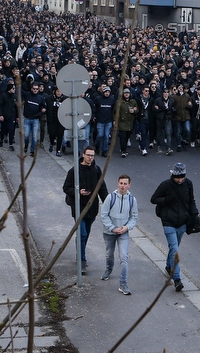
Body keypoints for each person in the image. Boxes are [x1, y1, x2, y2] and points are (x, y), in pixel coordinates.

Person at [150, 162, 198, 292]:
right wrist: (166, 200)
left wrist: (194, 214)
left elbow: (191, 200)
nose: (180, 179)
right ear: (173, 175)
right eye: (178, 177)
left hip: (182, 222)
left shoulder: (188, 184)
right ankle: (177, 279)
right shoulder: (165, 185)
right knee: (175, 250)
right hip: (168, 222)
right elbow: (153, 199)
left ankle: (167, 265)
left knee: (173, 248)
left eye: (182, 177)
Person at [62, 146, 109, 274]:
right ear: (83, 155)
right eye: (88, 155)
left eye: (92, 155)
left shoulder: (96, 170)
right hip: (78, 207)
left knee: (86, 234)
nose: (90, 158)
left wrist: (108, 203)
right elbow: (66, 187)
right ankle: (82, 260)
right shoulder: (74, 171)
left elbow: (102, 188)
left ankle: (80, 251)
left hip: (92, 207)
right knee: (82, 233)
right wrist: (77, 192)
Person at [100, 174, 139, 295]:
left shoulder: (132, 200)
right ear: (118, 184)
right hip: (109, 232)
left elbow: (134, 217)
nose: (123, 186)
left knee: (124, 257)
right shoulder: (110, 197)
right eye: (121, 183)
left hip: (123, 232)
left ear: (129, 185)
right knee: (109, 254)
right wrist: (112, 228)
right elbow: (104, 215)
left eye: (125, 184)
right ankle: (109, 269)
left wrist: (126, 227)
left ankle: (123, 284)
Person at [22, 81, 45, 156]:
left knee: (34, 137)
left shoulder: (40, 98)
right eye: (34, 89)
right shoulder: (27, 95)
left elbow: (44, 108)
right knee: (26, 135)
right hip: (27, 119)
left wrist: (39, 114)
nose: (35, 90)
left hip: (35, 120)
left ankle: (32, 150)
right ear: (31, 89)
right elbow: (20, 90)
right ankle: (26, 145)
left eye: (37, 89)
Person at [116, 87, 138, 157]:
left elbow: (137, 110)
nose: (126, 94)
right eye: (125, 93)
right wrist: (115, 120)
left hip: (130, 122)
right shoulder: (119, 102)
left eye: (127, 93)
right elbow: (115, 112)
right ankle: (123, 151)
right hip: (122, 121)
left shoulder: (133, 102)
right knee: (123, 136)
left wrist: (134, 111)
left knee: (127, 136)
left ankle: (124, 148)